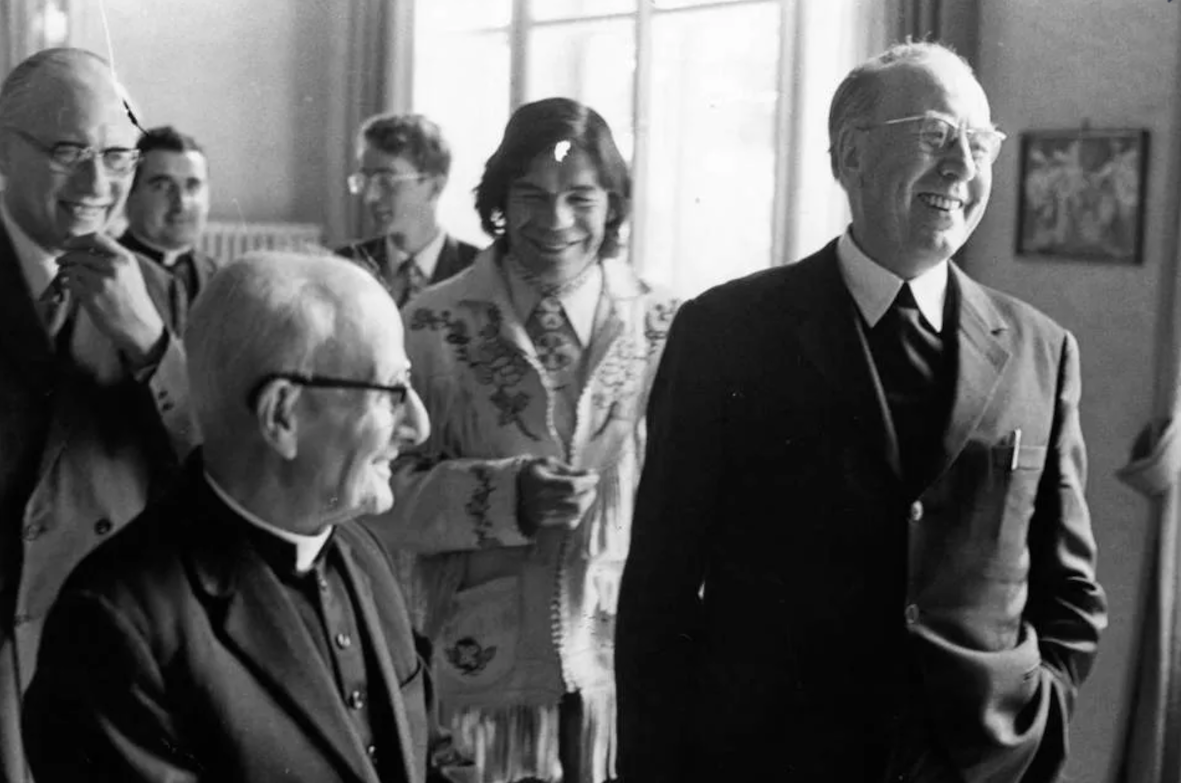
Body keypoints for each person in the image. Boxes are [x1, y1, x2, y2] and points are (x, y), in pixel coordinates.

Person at [616, 41, 1108, 783]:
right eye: (937, 135)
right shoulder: (726, 332)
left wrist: (1041, 714)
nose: (962, 168)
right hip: (769, 759)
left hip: (978, 759)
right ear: (850, 155)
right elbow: (660, 586)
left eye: (980, 144)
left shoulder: (1044, 349)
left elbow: (1071, 589)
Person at [23, 251, 434, 782]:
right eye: (392, 393)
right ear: (282, 414)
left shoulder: (365, 556)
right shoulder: (113, 629)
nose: (418, 426)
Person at [368, 97, 678, 783]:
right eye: (532, 195)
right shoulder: (430, 321)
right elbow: (377, 494)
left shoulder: (667, 323)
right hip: (482, 669)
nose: (557, 221)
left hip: (620, 666)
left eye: (580, 197)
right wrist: (504, 497)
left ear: (613, 202)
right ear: (500, 199)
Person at [0, 48, 196, 783]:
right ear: (1, 149)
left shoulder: (158, 294)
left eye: (117, 155)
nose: (98, 184)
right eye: (69, 151)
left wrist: (152, 345)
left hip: (102, 657)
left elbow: (207, 474)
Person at [336, 112, 480, 307]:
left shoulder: (478, 271)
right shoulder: (343, 267)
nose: (371, 196)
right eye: (364, 181)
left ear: (435, 186)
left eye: (386, 181)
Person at [120, 125, 218, 302]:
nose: (181, 202)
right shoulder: (103, 273)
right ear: (129, 194)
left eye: (193, 186)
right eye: (163, 186)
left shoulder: (220, 279)